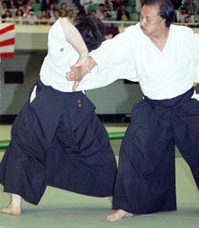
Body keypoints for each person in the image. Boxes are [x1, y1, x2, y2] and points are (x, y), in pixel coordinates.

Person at [66, 0, 199, 221]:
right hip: (152, 107)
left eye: (147, 18)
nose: (141, 22)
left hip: (184, 105)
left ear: (163, 20)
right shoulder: (134, 36)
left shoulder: (187, 38)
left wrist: (198, 78)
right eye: (141, 17)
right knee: (133, 151)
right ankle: (126, 205)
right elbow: (108, 51)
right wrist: (85, 68)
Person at [0, 15, 117, 216]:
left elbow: (62, 22)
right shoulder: (98, 53)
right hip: (76, 108)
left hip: (45, 104)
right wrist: (86, 55)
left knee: (23, 144)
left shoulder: (60, 45)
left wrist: (82, 53)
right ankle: (120, 199)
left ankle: (15, 205)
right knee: (98, 148)